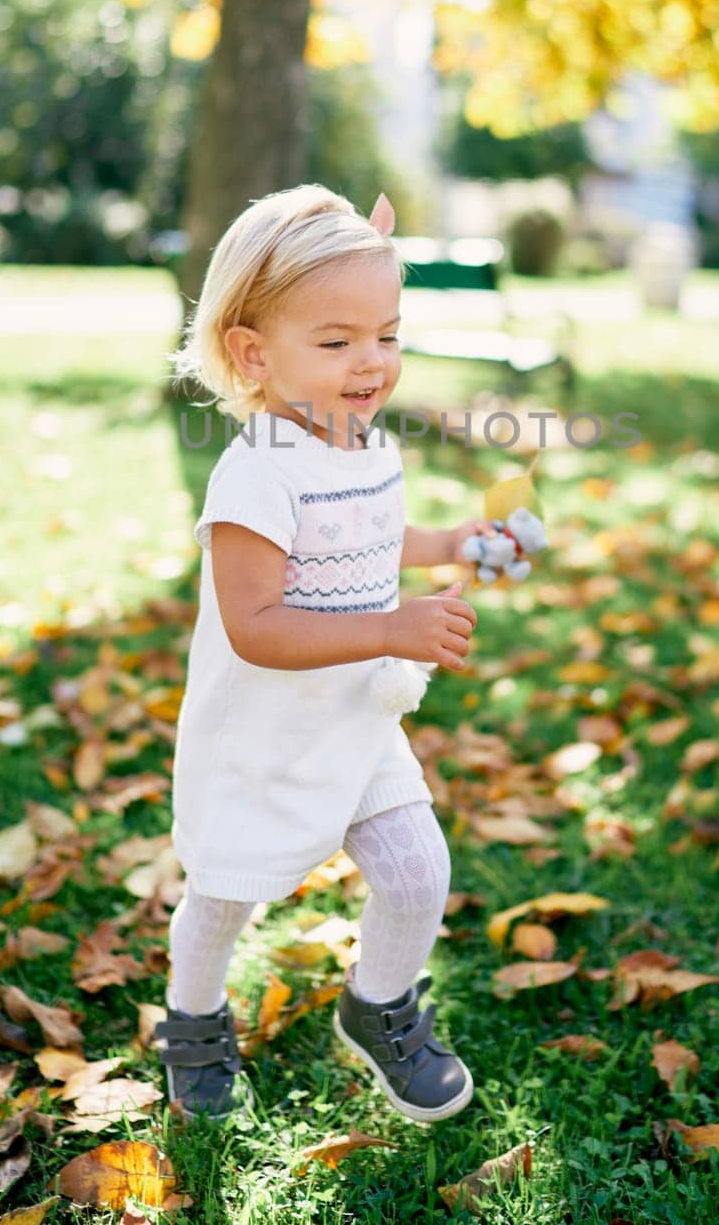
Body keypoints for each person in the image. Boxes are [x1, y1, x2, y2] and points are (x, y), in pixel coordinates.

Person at [157, 183, 498, 1126]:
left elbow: (368, 540)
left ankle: (378, 1001)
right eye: (337, 341)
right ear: (253, 353)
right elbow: (256, 623)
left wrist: (456, 542)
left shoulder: (361, 442)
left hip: (354, 715)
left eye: (386, 335)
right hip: (262, 737)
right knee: (227, 891)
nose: (371, 363)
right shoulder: (254, 474)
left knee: (416, 869)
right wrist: (391, 629)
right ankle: (191, 1019)